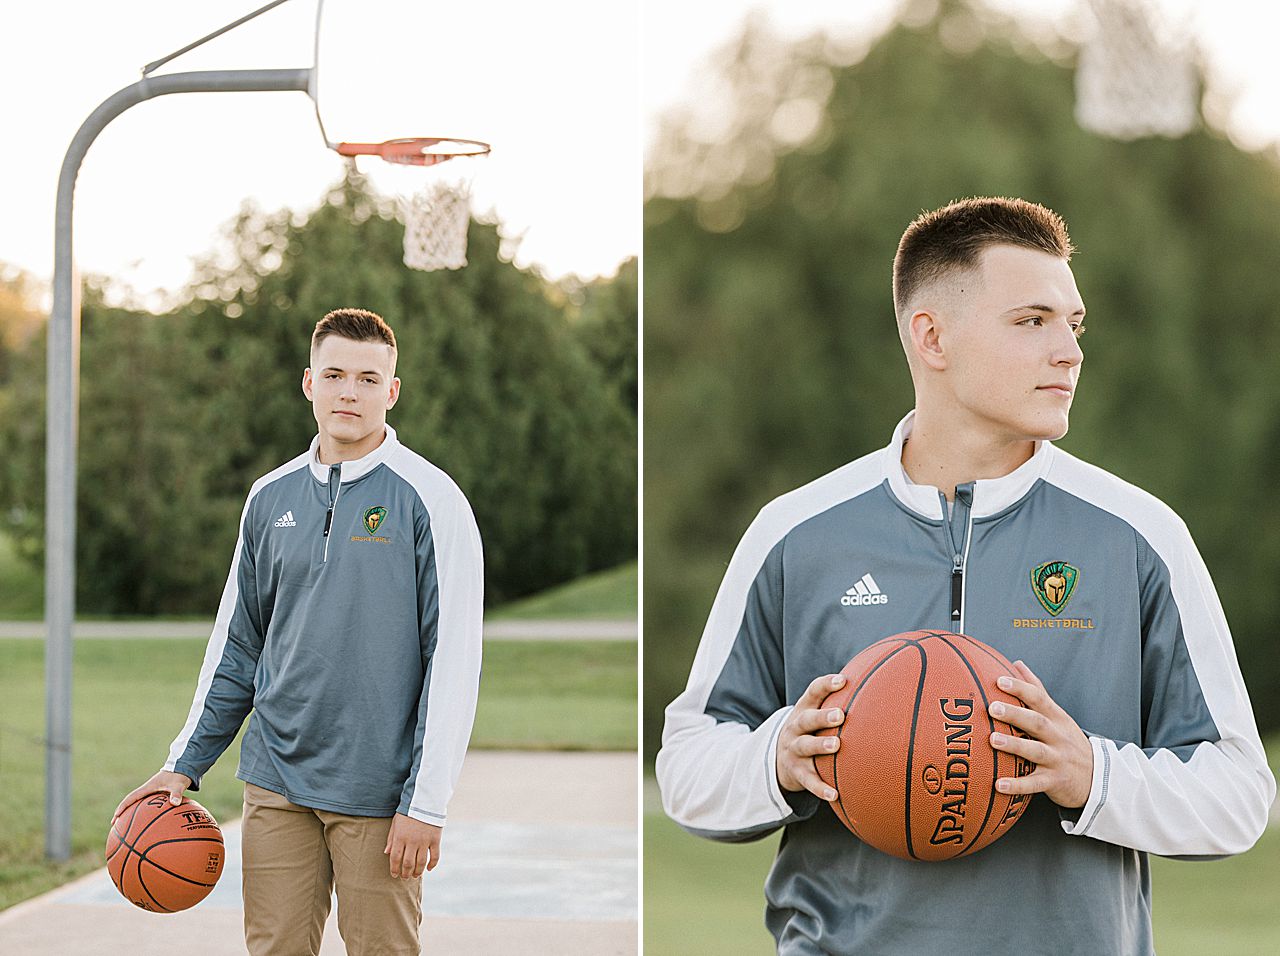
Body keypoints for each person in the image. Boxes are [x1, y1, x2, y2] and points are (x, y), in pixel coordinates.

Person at [656, 197, 1275, 955]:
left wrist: (1093, 774)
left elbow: (1240, 796)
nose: (1069, 351)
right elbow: (687, 766)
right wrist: (778, 754)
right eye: (1031, 321)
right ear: (932, 336)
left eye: (1073, 324)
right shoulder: (795, 533)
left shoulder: (1140, 536)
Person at [112, 308, 484, 955]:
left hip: (378, 790)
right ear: (308, 382)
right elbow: (237, 645)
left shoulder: (433, 500)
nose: (350, 392)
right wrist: (182, 765)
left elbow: (453, 663)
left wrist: (425, 804)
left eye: (368, 379)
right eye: (335, 374)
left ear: (391, 392)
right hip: (276, 782)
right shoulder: (268, 497)